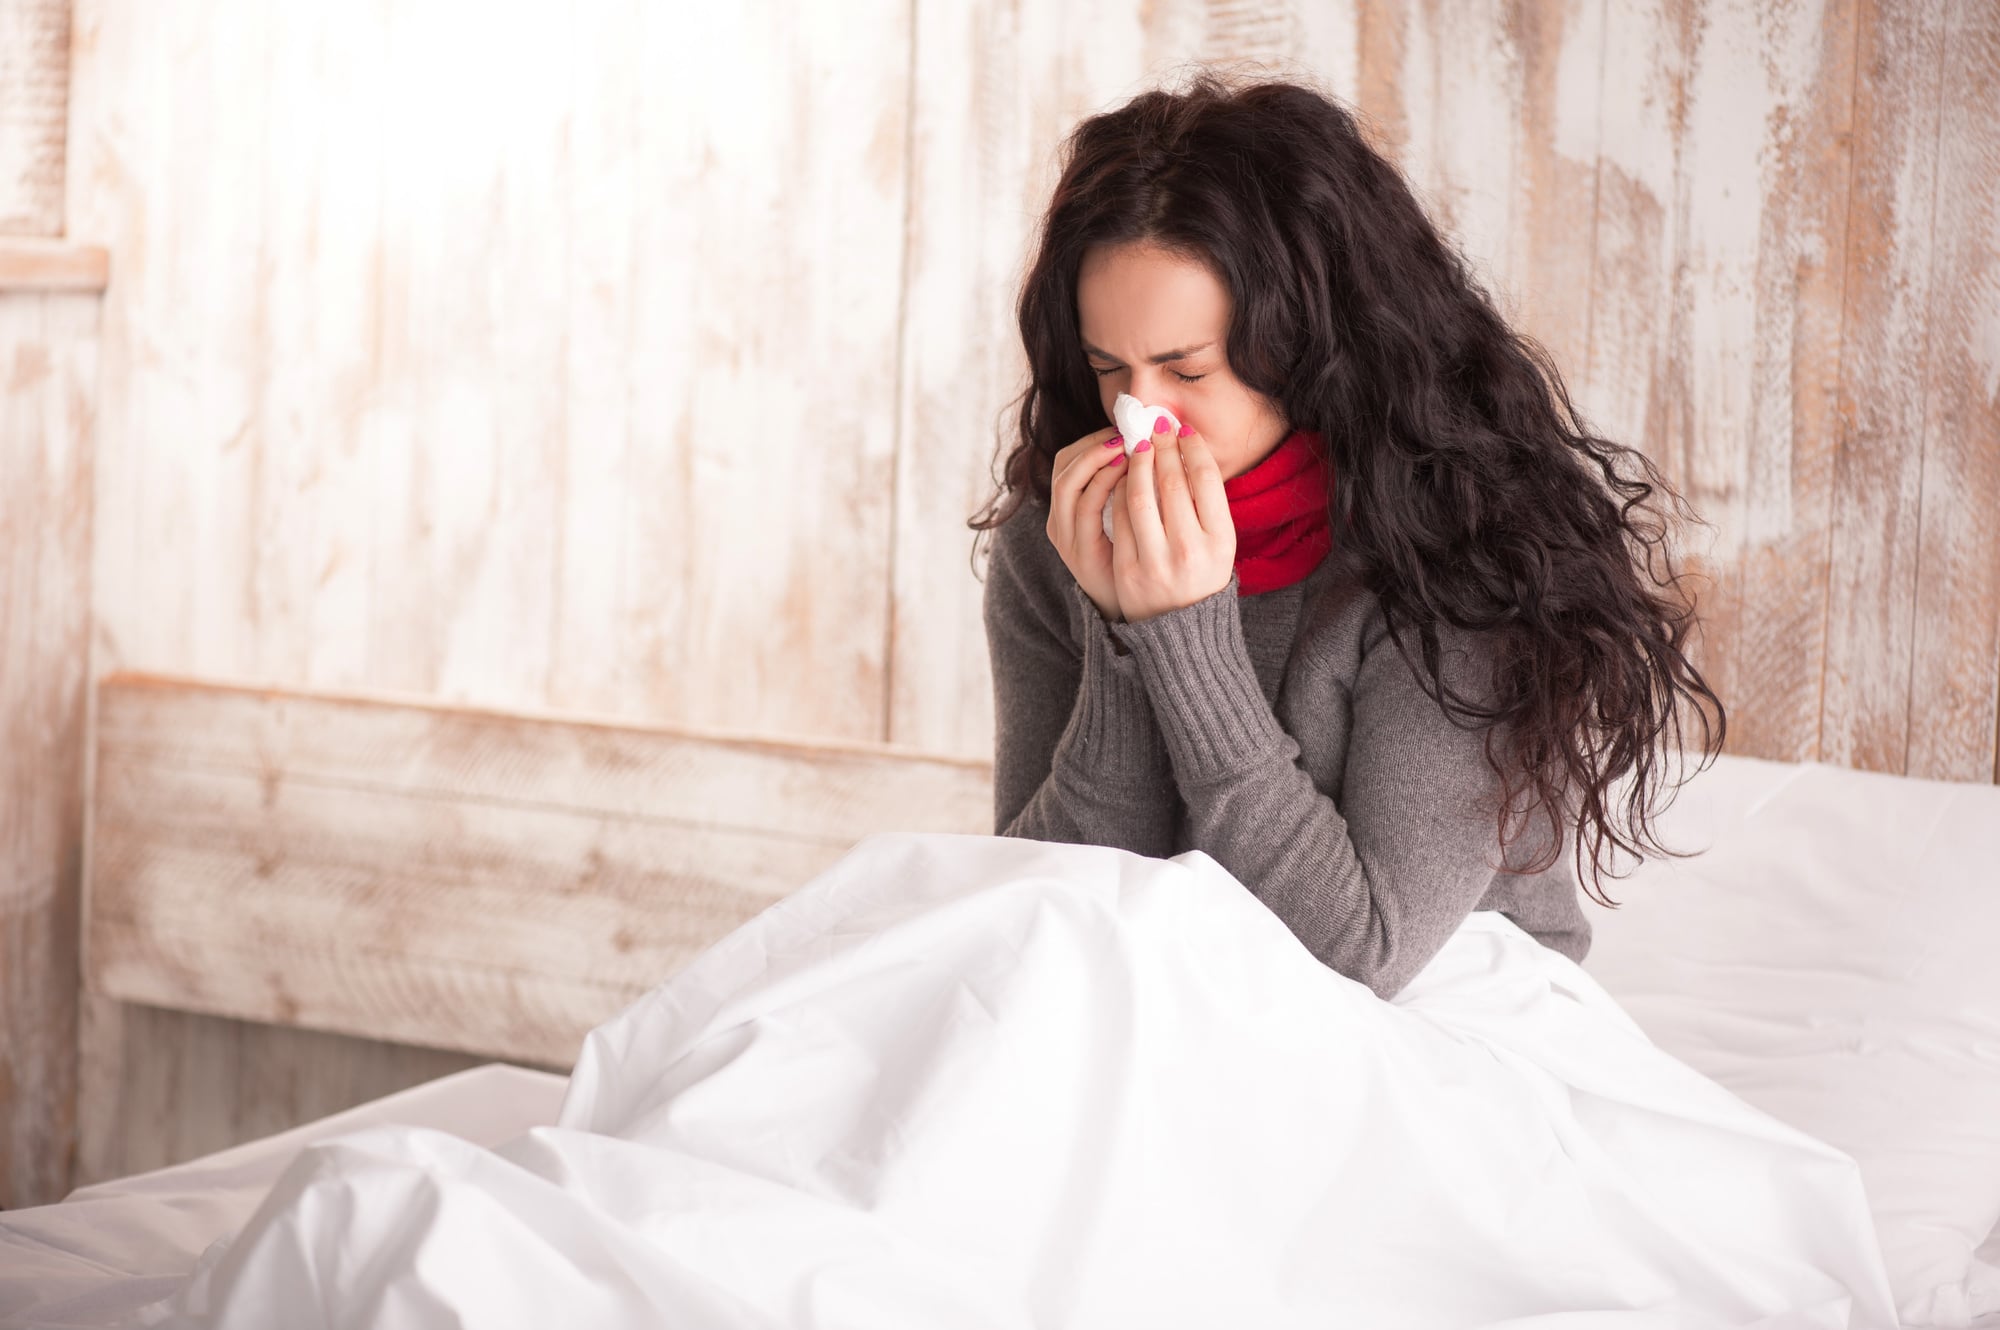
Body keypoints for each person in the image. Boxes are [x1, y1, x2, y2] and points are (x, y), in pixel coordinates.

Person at [970, 69, 1725, 1002]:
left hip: (1442, 1010)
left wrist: (1181, 636)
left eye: (1187, 370)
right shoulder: (1061, 540)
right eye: (1106, 367)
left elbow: (1363, 955)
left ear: (1308, 350)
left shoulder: (1459, 557)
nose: (1138, 416)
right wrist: (1121, 634)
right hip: (1154, 999)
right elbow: (1035, 913)